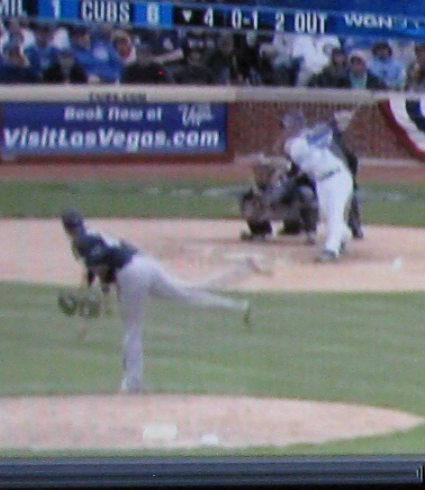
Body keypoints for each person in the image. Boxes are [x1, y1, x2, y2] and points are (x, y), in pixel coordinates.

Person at [61, 208, 248, 394]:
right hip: (146, 263)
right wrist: (100, 291)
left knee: (132, 329)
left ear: (66, 229)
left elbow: (99, 268)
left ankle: (132, 384)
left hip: (130, 272)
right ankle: (236, 307)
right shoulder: (95, 233)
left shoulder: (81, 242)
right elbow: (98, 267)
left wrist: (100, 293)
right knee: (184, 293)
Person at [281, 108, 358, 260]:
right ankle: (343, 235)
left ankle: (331, 250)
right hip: (321, 182)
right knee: (325, 216)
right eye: (286, 126)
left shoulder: (310, 134)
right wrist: (333, 121)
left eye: (290, 125)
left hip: (338, 176)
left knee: (335, 213)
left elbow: (327, 135)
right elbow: (313, 137)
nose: (287, 129)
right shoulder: (292, 146)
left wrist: (338, 125)